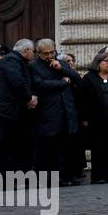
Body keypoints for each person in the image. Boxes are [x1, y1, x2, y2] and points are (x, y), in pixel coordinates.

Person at [0, 39, 35, 172]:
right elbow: (17, 82)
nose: (34, 54)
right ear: (26, 51)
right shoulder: (12, 60)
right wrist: (30, 98)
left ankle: (7, 179)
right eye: (33, 51)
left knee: (8, 146)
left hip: (8, 111)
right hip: (0, 112)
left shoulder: (17, 61)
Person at [29, 38, 81, 175]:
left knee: (68, 145)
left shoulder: (62, 63)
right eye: (46, 53)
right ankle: (51, 176)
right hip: (49, 113)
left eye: (52, 52)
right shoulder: (34, 66)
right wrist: (63, 83)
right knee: (50, 147)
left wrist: (62, 68)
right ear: (38, 53)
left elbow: (77, 78)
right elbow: (40, 85)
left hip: (67, 110)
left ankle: (68, 175)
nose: (50, 56)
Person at [80, 49, 108, 182]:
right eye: (107, 61)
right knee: (99, 148)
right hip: (97, 120)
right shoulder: (89, 78)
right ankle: (99, 176)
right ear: (98, 63)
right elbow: (83, 100)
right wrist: (84, 118)